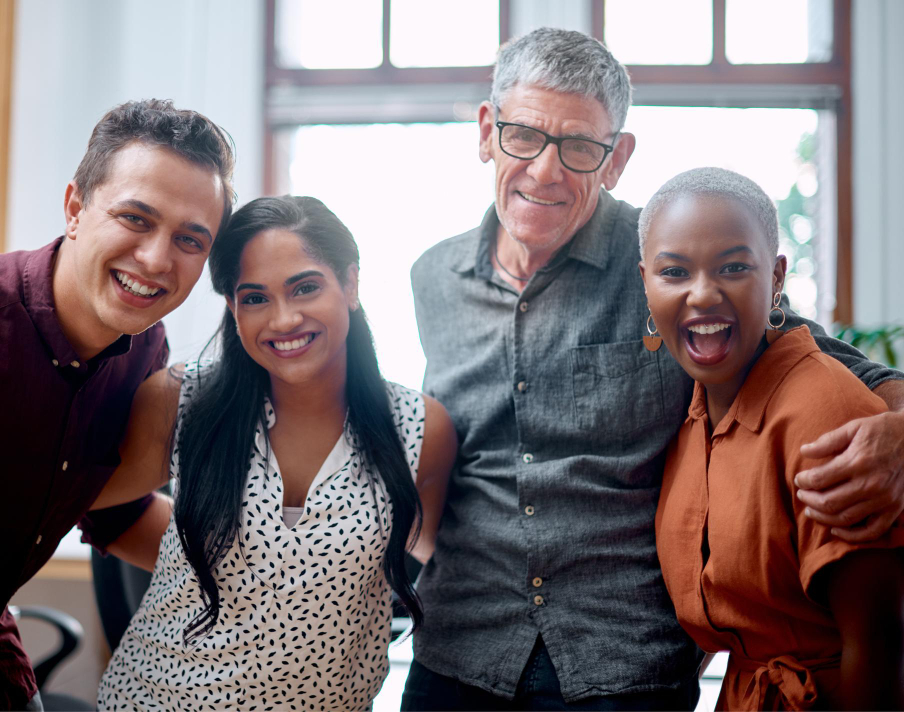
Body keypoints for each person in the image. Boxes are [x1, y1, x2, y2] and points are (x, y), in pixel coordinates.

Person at [404, 28, 904, 710]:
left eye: (580, 147)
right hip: (459, 652)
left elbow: (835, 363)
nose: (547, 171)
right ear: (488, 130)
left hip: (623, 663)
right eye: (524, 135)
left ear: (616, 159)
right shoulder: (433, 276)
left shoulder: (671, 263)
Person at [0, 99, 234, 711]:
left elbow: (112, 511)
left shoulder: (141, 348)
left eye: (190, 239)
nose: (158, 259)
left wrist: (278, 566)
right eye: (136, 218)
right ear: (76, 208)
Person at [89, 195, 456, 711]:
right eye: (255, 298)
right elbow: (79, 501)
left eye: (305, 288)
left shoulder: (420, 428)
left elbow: (442, 560)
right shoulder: (179, 401)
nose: (284, 320)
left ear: (350, 284)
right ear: (232, 308)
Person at [642, 167, 904, 710]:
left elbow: (881, 642)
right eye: (674, 272)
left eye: (734, 267)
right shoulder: (690, 417)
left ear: (777, 277)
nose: (703, 294)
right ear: (645, 281)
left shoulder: (825, 410)